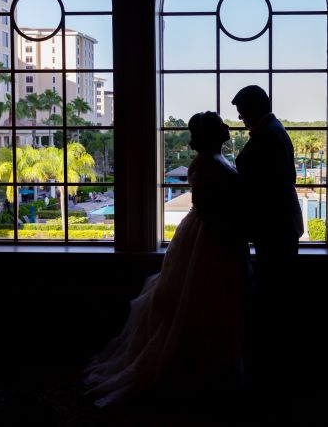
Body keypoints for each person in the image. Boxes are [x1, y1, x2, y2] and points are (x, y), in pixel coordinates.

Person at [84, 111, 249, 408]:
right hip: (210, 240)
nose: (227, 126)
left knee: (213, 304)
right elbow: (209, 208)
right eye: (220, 123)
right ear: (212, 133)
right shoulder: (206, 165)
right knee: (200, 302)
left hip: (214, 236)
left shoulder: (214, 160)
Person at [231, 85, 303, 396]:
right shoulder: (274, 130)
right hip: (278, 225)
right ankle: (277, 367)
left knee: (273, 294)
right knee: (276, 292)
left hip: (274, 227)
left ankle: (272, 371)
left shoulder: (267, 136)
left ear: (254, 107)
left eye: (242, 110)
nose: (239, 116)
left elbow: (262, 188)